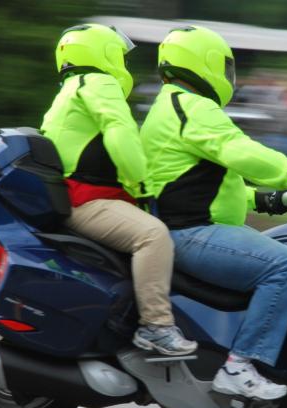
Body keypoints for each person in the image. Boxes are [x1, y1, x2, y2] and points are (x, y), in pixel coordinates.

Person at [140, 25, 287, 400]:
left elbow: (201, 185)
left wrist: (276, 200)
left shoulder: (173, 104)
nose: (229, 77)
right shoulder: (193, 106)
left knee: (286, 248)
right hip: (191, 233)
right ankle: (241, 365)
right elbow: (241, 152)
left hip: (190, 225)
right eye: (226, 67)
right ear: (205, 62)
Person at [40, 23, 196, 356]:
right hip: (88, 201)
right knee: (153, 235)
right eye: (120, 57)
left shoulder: (68, 90)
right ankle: (157, 327)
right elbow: (120, 133)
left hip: (76, 200)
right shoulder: (99, 82)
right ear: (105, 54)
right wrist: (142, 187)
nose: (124, 67)